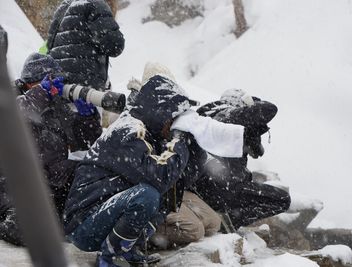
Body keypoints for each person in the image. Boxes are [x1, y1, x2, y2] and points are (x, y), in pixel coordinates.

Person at [63, 68, 206, 266]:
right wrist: (179, 140)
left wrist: (193, 144)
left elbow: (179, 178)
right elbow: (159, 175)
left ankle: (128, 250)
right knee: (147, 194)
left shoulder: (150, 132)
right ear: (161, 112)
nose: (174, 125)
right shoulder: (128, 130)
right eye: (173, 119)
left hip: (102, 216)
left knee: (161, 194)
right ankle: (111, 257)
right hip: (85, 225)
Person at [0, 53, 102, 246]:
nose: (55, 87)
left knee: (89, 172)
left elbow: (86, 143)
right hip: (13, 185)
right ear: (31, 82)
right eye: (49, 81)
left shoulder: (57, 107)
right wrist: (40, 93)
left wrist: (87, 118)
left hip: (49, 182)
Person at [192, 89, 291, 230]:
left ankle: (227, 219)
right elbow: (269, 109)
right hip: (223, 189)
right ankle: (228, 223)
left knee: (248, 182)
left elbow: (256, 151)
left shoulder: (207, 118)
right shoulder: (228, 114)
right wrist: (252, 103)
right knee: (282, 200)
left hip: (204, 188)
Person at [47, 0, 125, 90]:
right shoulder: (95, 4)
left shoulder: (62, 8)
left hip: (59, 86)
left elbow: (49, 47)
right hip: (86, 88)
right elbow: (115, 46)